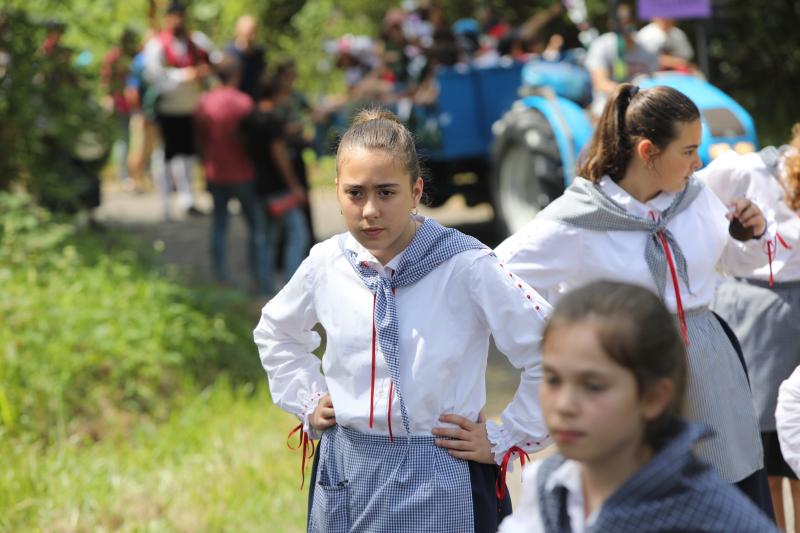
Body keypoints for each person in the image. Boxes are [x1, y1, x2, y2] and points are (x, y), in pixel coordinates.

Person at [253, 109, 553, 532]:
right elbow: (276, 332)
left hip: (445, 473)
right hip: (349, 474)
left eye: (387, 192)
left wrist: (508, 437)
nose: (370, 210)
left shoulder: (465, 265)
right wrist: (307, 399)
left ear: (416, 191)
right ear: (336, 191)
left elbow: (553, 347)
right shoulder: (327, 263)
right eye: (355, 193)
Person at [495, 83, 775, 516]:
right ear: (648, 151)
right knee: (648, 500)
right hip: (629, 375)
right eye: (687, 150)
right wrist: (559, 335)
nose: (697, 162)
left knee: (730, 493)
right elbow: (494, 277)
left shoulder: (695, 198)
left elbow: (735, 261)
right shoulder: (578, 220)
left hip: (710, 367)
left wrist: (749, 234)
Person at [498, 281, 778, 532]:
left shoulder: (714, 517)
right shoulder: (551, 486)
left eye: (593, 385)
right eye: (553, 379)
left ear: (653, 398)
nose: (564, 406)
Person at [700, 126, 800, 530]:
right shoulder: (744, 169)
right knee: (762, 441)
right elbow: (693, 202)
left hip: (791, 310)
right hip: (757, 308)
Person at [193, 54, 269, 294]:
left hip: (216, 172)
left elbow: (199, 139)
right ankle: (260, 279)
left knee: (219, 225)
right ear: (236, 75)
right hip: (243, 172)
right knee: (257, 227)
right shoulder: (244, 103)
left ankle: (221, 277)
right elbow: (255, 141)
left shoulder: (204, 102)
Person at [241, 74, 309, 294]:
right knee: (298, 233)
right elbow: (279, 153)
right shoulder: (273, 120)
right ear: (278, 94)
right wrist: (295, 185)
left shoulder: (250, 117)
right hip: (278, 188)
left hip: (255, 184)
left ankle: (264, 285)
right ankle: (292, 285)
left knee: (263, 237)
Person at [143, 0, 211, 219]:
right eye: (174, 16)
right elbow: (154, 77)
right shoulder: (157, 45)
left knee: (188, 157)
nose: (178, 20)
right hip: (168, 109)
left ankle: (187, 199)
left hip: (191, 109)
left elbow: (213, 62)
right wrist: (184, 76)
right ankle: (165, 204)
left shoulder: (197, 41)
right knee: (166, 156)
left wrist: (203, 72)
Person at [584, 4, 658, 117]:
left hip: (641, 109)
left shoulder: (649, 48)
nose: (625, 27)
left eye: (628, 22)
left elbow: (655, 81)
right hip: (608, 110)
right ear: (612, 25)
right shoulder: (601, 45)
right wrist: (632, 93)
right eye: (620, 24)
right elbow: (600, 83)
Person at [100, 27, 139, 186]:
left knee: (128, 140)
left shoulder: (134, 55)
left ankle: (130, 175)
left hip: (132, 104)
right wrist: (107, 97)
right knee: (122, 140)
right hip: (119, 104)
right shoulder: (114, 57)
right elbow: (106, 79)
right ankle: (123, 176)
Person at [225, 14, 266, 100]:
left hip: (253, 99)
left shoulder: (259, 53)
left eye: (254, 31)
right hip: (235, 100)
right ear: (238, 31)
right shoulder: (229, 53)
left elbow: (261, 77)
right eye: (249, 32)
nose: (252, 36)